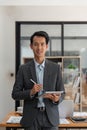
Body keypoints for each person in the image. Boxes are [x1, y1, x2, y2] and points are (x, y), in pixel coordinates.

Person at [12, 31, 65, 130]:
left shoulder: (55, 68)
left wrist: (57, 99)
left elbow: (63, 93)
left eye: (42, 44)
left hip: (50, 118)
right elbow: (15, 94)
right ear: (31, 46)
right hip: (31, 118)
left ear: (47, 46)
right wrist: (31, 92)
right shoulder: (23, 69)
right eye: (36, 44)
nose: (39, 48)